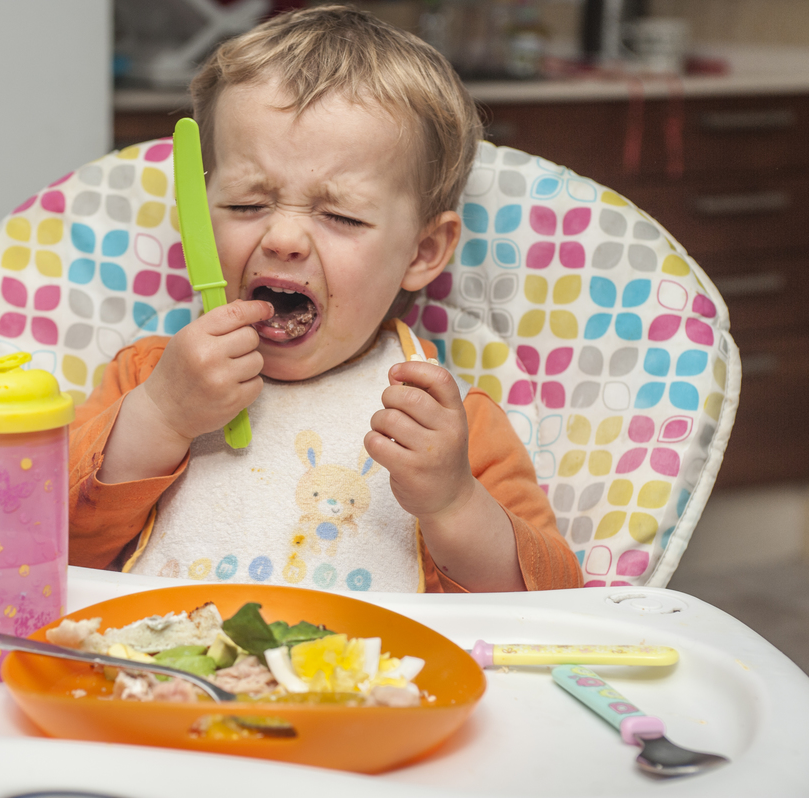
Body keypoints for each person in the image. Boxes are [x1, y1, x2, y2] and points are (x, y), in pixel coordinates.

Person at [68, 5, 582, 593]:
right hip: (162, 676)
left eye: (339, 214)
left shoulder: (448, 424)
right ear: (195, 218)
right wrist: (159, 417)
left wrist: (453, 502)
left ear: (421, 252)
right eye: (245, 205)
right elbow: (47, 545)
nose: (283, 238)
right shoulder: (146, 380)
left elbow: (551, 602)